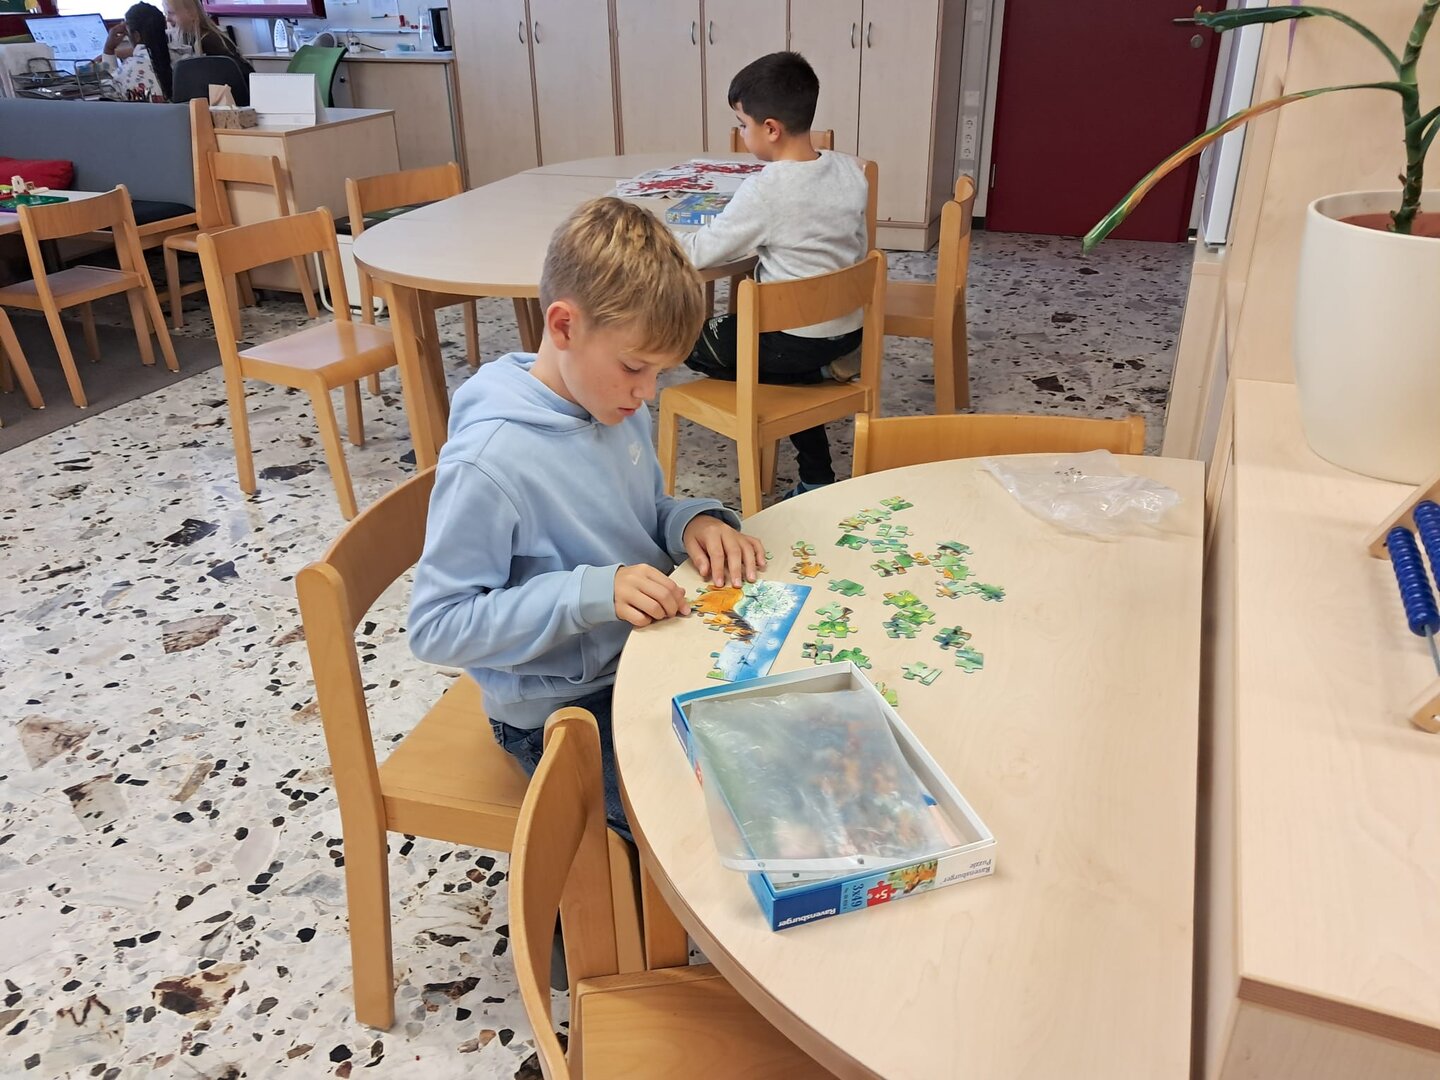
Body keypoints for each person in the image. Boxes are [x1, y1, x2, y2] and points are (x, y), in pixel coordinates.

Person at [408, 196, 767, 840]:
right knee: (705, 831)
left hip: (643, 660)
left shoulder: (614, 402)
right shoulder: (489, 462)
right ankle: (599, 901)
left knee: (774, 746)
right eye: (634, 367)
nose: (648, 392)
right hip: (561, 712)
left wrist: (689, 522)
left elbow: (637, 513)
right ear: (564, 326)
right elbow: (437, 627)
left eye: (660, 372)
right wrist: (587, 593)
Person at [679, 51, 870, 499]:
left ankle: (802, 375)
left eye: (742, 124)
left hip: (791, 340)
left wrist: (657, 238)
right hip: (847, 330)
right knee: (780, 355)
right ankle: (815, 459)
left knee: (685, 340)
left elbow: (702, 251)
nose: (741, 134)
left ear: (770, 129)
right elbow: (854, 248)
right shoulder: (849, 170)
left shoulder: (766, 190)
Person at [98, 3, 173, 102]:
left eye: (127, 33)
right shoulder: (179, 57)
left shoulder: (132, 67)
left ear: (137, 36)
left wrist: (108, 49)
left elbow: (109, 92)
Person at [164, 0, 254, 82]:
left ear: (190, 12)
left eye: (171, 13)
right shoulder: (202, 38)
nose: (168, 19)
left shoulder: (208, 42)